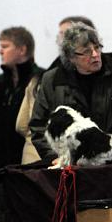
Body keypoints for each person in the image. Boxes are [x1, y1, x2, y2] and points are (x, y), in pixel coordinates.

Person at [29, 22, 112, 161]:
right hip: (68, 163)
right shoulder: (52, 80)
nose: (95, 55)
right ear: (71, 57)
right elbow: (39, 125)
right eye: (86, 52)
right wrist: (53, 156)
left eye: (97, 48)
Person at [15, 16, 96, 165]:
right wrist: (52, 154)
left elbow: (23, 125)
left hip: (67, 161)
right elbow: (26, 124)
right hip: (47, 161)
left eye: (67, 33)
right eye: (61, 34)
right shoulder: (45, 78)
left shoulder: (44, 77)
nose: (61, 39)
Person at [0, 26, 43, 172]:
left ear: (22, 50)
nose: (0, 51)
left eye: (5, 46)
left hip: (31, 162)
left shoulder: (41, 80)